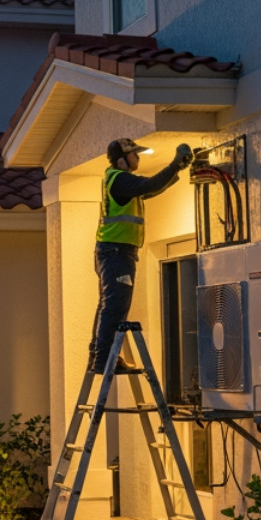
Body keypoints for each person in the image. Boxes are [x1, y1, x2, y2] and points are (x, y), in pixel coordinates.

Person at [89, 137, 193, 375]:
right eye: (135, 154)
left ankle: (99, 356)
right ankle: (104, 360)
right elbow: (149, 185)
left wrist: (176, 171)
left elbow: (152, 188)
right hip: (117, 252)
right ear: (122, 159)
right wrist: (176, 164)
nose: (138, 157)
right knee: (115, 306)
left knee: (109, 305)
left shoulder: (119, 181)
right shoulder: (120, 179)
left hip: (115, 251)